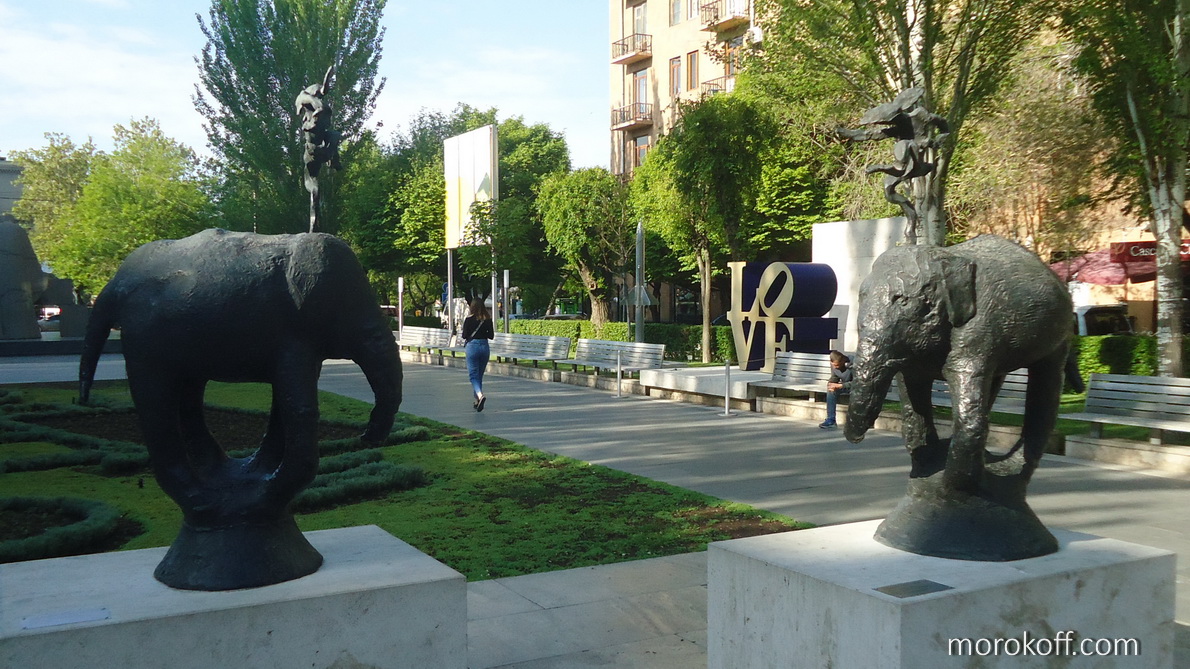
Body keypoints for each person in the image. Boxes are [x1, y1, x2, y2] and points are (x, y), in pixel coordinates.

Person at [461, 299, 495, 411]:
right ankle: (477, 400)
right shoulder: (487, 319)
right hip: (484, 347)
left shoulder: (468, 319)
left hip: (472, 347)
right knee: (479, 375)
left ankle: (480, 396)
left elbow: (464, 335)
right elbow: (491, 336)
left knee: (473, 375)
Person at [820, 350, 853, 429]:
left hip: (857, 388)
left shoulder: (853, 363)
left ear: (843, 361)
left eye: (837, 365)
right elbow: (834, 377)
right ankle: (831, 420)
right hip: (846, 387)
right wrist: (831, 384)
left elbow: (859, 383)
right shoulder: (834, 366)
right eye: (834, 365)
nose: (835, 367)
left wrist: (841, 385)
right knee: (831, 391)